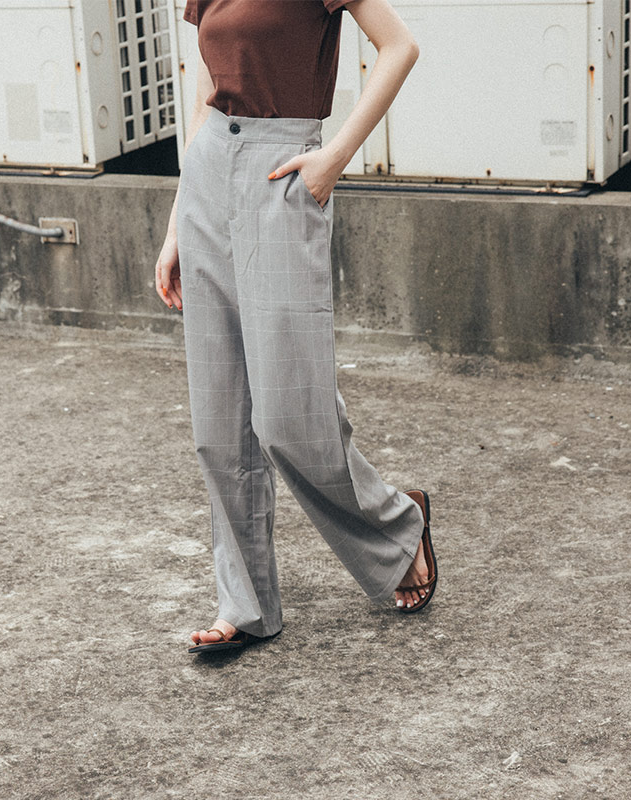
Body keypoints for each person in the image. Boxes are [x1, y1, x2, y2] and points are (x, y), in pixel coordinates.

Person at [154, 0, 437, 654]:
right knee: (219, 421)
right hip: (207, 174)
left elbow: (400, 47)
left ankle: (398, 524)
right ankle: (245, 605)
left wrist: (334, 156)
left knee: (289, 414)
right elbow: (205, 91)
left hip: (281, 171)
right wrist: (176, 226)